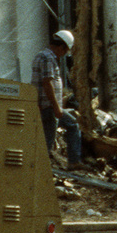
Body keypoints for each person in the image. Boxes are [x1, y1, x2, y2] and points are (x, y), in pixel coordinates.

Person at [31, 29, 83, 169]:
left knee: (72, 125)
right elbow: (47, 83)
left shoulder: (42, 55)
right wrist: (56, 107)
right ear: (61, 47)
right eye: (65, 51)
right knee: (48, 141)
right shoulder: (48, 58)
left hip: (45, 106)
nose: (64, 55)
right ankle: (43, 171)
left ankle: (73, 161)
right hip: (48, 107)